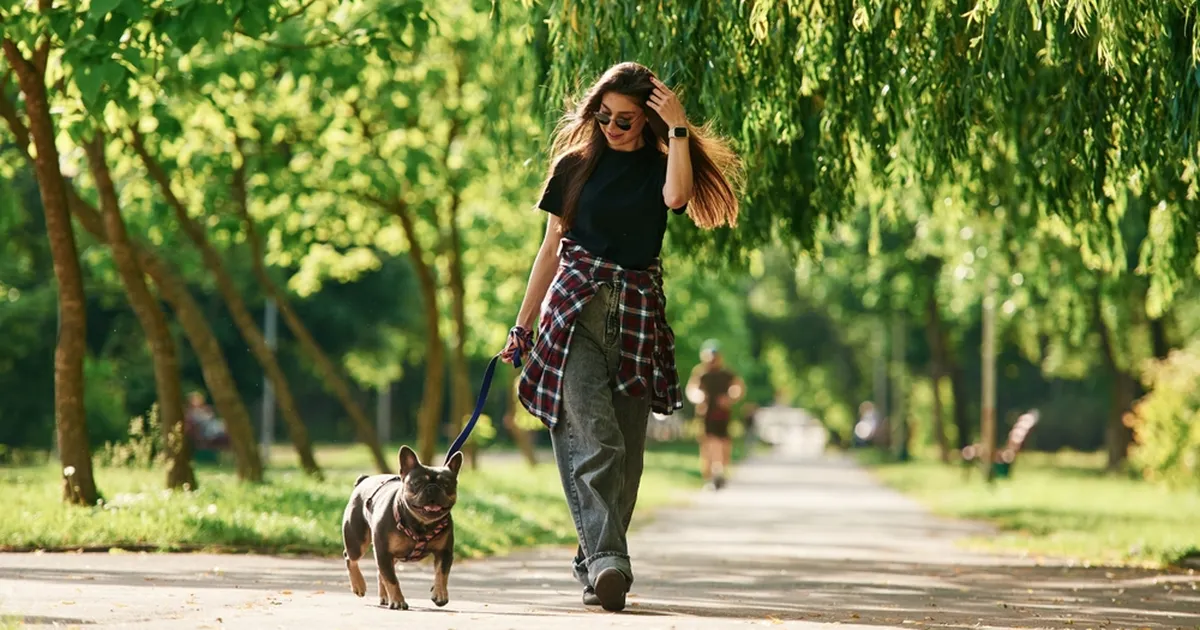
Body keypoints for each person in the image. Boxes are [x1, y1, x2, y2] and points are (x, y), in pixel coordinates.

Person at [500, 61, 741, 612]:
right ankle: (610, 561)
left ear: (647, 120)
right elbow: (550, 248)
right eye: (604, 115)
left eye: (626, 119)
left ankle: (595, 563)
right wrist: (523, 323)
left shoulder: (662, 165)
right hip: (574, 312)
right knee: (597, 440)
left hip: (637, 315)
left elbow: (678, 197)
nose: (612, 126)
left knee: (628, 458)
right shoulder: (573, 168)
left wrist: (677, 126)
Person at [685, 340, 744, 490]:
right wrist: (698, 396)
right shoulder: (700, 373)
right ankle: (710, 476)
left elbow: (738, 388)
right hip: (706, 415)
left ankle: (720, 472)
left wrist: (730, 398)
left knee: (723, 444)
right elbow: (691, 389)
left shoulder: (727, 374)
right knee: (708, 444)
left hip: (723, 416)